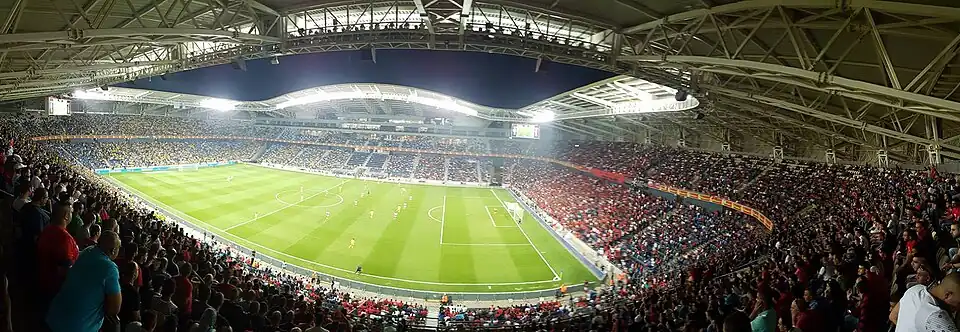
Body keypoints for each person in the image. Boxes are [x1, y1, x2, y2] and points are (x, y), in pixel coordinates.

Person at [46, 231, 122, 332]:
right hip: (77, 327)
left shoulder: (87, 251)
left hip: (54, 316)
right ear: (113, 251)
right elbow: (114, 309)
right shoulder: (110, 268)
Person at [890, 272, 960, 331]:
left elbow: (893, 316)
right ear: (947, 295)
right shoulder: (936, 316)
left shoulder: (914, 289)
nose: (958, 309)